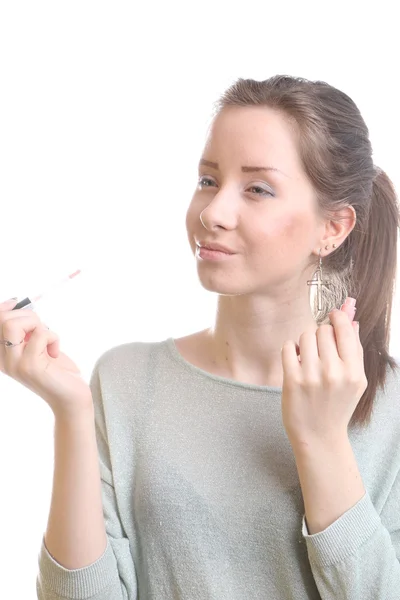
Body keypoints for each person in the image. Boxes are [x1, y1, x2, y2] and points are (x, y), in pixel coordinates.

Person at [1, 75, 400, 600]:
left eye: (257, 188)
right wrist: (71, 413)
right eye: (208, 180)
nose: (212, 213)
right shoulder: (124, 381)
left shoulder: (389, 408)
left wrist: (322, 440)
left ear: (333, 227)